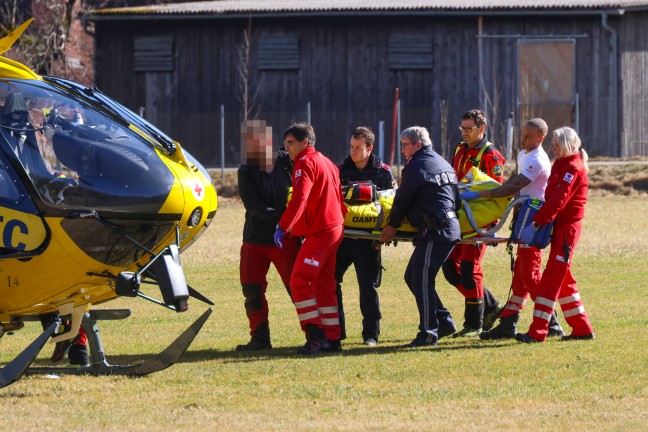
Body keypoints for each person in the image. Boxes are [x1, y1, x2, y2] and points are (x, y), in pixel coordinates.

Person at [460, 118, 565, 339]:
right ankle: (508, 323)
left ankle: (551, 322)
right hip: (523, 216)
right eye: (522, 134)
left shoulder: (537, 160)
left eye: (529, 136)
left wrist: (475, 194)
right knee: (521, 274)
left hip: (534, 220)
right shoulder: (525, 153)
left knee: (529, 273)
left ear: (541, 138)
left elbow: (510, 188)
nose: (523, 139)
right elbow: (514, 186)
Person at [380, 126, 461, 347]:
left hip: (436, 231)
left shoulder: (416, 166)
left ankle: (428, 333)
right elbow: (458, 199)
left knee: (423, 281)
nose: (403, 150)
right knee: (413, 276)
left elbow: (402, 200)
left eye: (405, 145)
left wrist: (392, 226)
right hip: (446, 228)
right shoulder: (443, 163)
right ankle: (443, 320)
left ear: (417, 145)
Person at [516, 126, 595, 343]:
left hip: (567, 229)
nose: (554, 148)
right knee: (565, 279)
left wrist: (537, 223)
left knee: (551, 277)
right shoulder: (562, 164)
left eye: (557, 145)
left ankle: (538, 330)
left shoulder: (572, 168)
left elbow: (557, 201)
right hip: (560, 226)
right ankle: (581, 328)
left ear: (568, 145)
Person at [274, 122, 347, 355]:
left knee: (298, 280)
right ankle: (332, 339)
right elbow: (338, 196)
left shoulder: (304, 163)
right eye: (285, 143)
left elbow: (299, 199)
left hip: (322, 231)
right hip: (333, 227)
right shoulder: (326, 162)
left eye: (290, 143)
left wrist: (283, 227)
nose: (287, 148)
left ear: (305, 142)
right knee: (324, 285)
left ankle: (315, 335)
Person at [441, 109, 505, 337]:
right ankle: (490, 305)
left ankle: (474, 324)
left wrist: (462, 190)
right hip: (459, 219)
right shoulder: (459, 149)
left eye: (469, 129)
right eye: (462, 128)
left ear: (481, 129)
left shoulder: (491, 156)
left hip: (480, 222)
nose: (465, 133)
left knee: (470, 269)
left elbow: (496, 191)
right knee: (449, 268)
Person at [236, 119, 299, 351]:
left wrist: (289, 223)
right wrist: (283, 219)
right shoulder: (246, 170)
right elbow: (253, 204)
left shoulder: (288, 162)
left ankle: (314, 334)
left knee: (298, 287)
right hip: (255, 239)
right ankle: (260, 338)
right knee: (252, 289)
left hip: (287, 238)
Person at [335, 126, 396, 346]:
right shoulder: (339, 170)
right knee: (331, 282)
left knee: (367, 286)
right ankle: (336, 332)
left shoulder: (383, 172)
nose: (353, 151)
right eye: (351, 146)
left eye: (358, 148)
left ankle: (371, 334)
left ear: (369, 148)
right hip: (342, 239)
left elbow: (391, 205)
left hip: (369, 240)